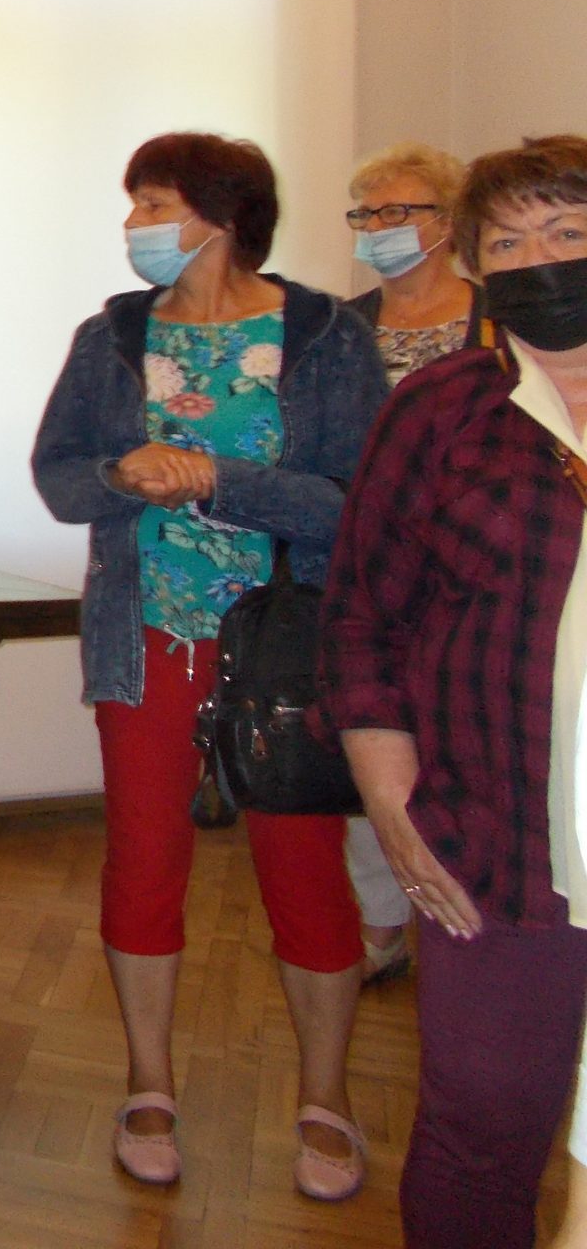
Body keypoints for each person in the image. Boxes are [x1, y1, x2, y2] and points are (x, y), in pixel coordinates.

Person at [31, 132, 386, 1201]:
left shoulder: (321, 334)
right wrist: (121, 472)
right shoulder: (111, 334)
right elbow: (59, 477)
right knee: (143, 859)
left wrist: (214, 479)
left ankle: (325, 1098)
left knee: (301, 862)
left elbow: (354, 501)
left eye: (155, 204)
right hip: (146, 638)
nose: (135, 224)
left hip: (282, 645)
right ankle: (148, 1085)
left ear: (223, 216)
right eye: (134, 204)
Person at [322, 134, 587, 1249]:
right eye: (508, 243)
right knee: (482, 1126)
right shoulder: (441, 411)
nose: (541, 261)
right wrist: (393, 809)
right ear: (475, 265)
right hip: (497, 846)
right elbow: (361, 620)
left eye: (566, 232)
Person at [337, 140, 479, 988]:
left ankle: (471, 916)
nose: (379, 227)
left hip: (474, 572)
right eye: (366, 213)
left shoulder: (497, 319)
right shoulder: (339, 329)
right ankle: (383, 922)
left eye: (399, 210)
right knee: (375, 745)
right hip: (372, 570)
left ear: (449, 222)